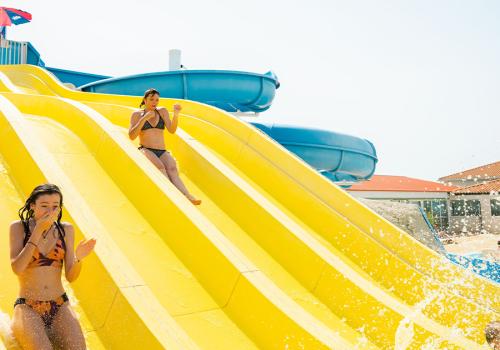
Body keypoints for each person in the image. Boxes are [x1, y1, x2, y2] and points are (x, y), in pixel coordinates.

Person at [9, 184, 96, 349]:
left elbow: (71, 276)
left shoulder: (66, 230)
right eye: (44, 206)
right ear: (33, 206)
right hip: (28, 307)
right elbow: (17, 268)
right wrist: (38, 231)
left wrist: (79, 258)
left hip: (59, 305)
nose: (50, 211)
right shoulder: (18, 228)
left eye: (55, 206)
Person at [129, 88, 201, 205]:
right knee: (160, 167)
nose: (154, 102)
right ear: (145, 100)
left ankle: (187, 195)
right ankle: (173, 195)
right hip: (146, 149)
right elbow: (132, 136)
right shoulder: (136, 115)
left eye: (157, 100)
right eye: (151, 99)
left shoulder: (162, 111)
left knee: (172, 168)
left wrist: (176, 114)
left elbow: (171, 130)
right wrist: (144, 119)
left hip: (161, 150)